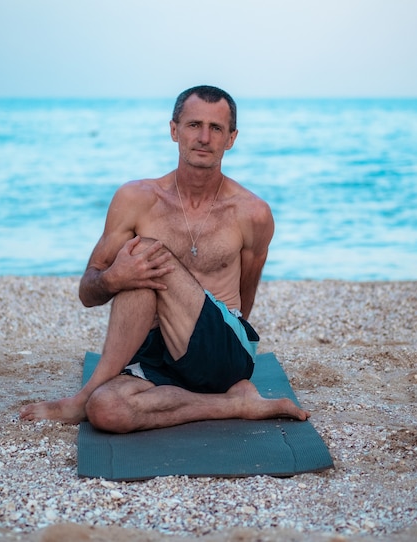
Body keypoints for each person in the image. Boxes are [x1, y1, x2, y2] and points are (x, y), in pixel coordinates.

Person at [19, 85, 309, 433]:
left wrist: (192, 319)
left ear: (231, 138)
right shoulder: (135, 199)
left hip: (222, 351)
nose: (203, 137)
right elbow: (88, 291)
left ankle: (83, 396)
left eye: (216, 128)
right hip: (157, 350)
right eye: (193, 125)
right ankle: (234, 404)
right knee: (107, 410)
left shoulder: (253, 214)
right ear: (174, 130)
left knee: (144, 253)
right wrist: (116, 278)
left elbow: (245, 301)